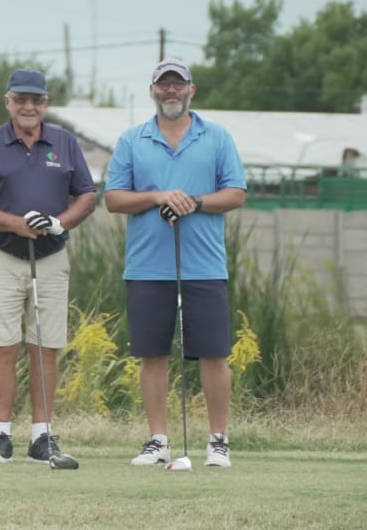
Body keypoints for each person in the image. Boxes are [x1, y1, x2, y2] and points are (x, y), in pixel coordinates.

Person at [103, 58, 247, 468]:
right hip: (147, 266)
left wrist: (194, 202)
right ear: (152, 91)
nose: (171, 91)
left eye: (178, 84)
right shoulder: (132, 140)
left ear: (191, 90)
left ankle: (218, 441)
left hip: (204, 265)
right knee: (153, 355)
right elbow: (113, 198)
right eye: (163, 85)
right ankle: (159, 440)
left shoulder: (217, 137)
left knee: (214, 353)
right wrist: (158, 196)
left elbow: (236, 193)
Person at [0, 68, 97, 465]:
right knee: (3, 345)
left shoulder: (65, 143)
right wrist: (15, 224)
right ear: (8, 101)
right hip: (1, 255)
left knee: (45, 346)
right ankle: (1, 435)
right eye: (20, 99)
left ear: (46, 103)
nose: (28, 107)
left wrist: (59, 223)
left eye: (36, 100)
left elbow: (87, 196)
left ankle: (42, 437)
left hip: (51, 256)